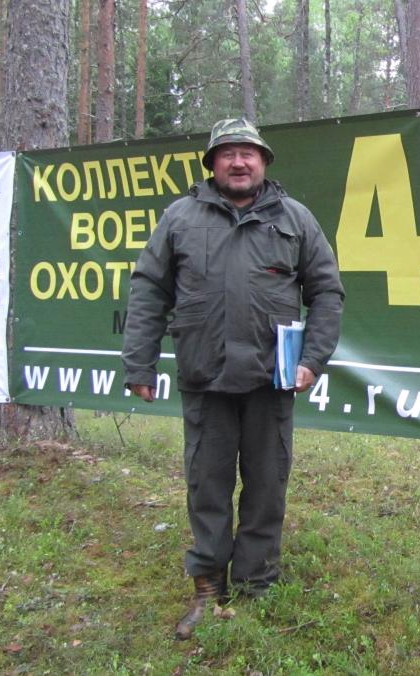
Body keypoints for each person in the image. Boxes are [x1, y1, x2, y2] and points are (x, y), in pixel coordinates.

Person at [121, 118, 344, 639]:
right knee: (208, 485)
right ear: (212, 164)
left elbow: (327, 292)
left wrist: (313, 358)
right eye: (227, 154)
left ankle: (255, 583)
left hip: (272, 379)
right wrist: (139, 363)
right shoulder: (180, 217)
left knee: (267, 485)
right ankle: (208, 587)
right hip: (205, 377)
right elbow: (149, 289)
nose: (238, 162)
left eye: (248, 153)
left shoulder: (296, 218)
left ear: (263, 161)